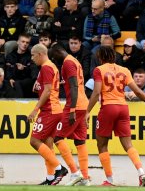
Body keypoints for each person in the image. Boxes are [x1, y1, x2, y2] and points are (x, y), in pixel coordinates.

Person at [85, 46, 145, 186]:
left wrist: (87, 111)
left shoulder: (99, 70)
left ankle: (110, 180)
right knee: (128, 144)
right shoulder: (125, 70)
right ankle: (141, 172)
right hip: (123, 108)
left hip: (108, 108)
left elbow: (97, 92)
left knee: (102, 144)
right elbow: (138, 92)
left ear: (100, 57)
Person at [49, 44, 90, 186]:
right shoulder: (75, 61)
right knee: (80, 141)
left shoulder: (67, 63)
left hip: (75, 105)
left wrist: (72, 109)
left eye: (54, 57)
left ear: (58, 52)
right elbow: (75, 83)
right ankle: (85, 178)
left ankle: (75, 172)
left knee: (57, 137)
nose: (55, 60)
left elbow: (74, 86)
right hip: (83, 104)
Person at [27, 44, 68, 185]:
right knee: (48, 144)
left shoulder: (46, 67)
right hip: (55, 110)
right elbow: (48, 87)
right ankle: (50, 178)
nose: (31, 58)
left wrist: (35, 109)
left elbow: (48, 90)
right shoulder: (51, 67)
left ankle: (59, 168)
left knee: (34, 141)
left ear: (40, 54)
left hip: (49, 110)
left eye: (33, 55)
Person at [5, 33, 38, 98]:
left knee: (17, 84)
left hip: (26, 80)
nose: (25, 44)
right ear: (17, 42)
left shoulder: (31, 56)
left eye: (27, 42)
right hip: (13, 79)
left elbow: (33, 70)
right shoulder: (10, 56)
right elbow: (7, 69)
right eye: (23, 42)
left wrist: (24, 69)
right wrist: (10, 78)